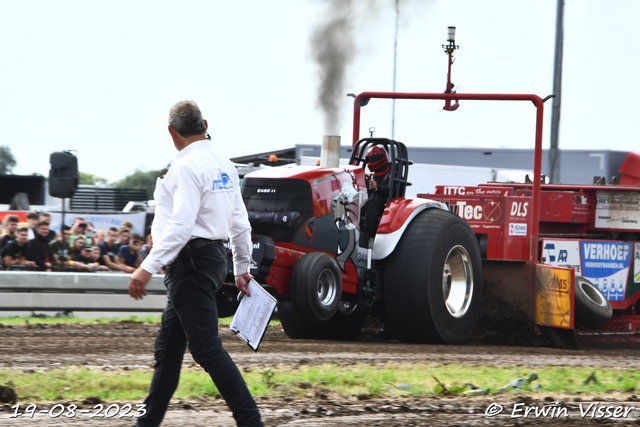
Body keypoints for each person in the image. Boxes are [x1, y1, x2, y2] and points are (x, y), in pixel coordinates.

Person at [128, 100, 262, 427]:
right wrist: (242, 268)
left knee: (205, 349)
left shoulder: (186, 167)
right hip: (212, 260)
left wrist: (146, 267)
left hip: (189, 265)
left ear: (172, 133)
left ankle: (251, 422)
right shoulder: (224, 165)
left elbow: (182, 223)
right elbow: (241, 224)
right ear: (204, 122)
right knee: (168, 350)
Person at [359, 145, 391, 249]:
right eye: (368, 159)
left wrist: (378, 188)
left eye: (373, 159)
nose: (370, 162)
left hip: (385, 207)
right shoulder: (370, 176)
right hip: (368, 205)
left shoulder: (391, 175)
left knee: (372, 203)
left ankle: (370, 238)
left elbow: (392, 191)